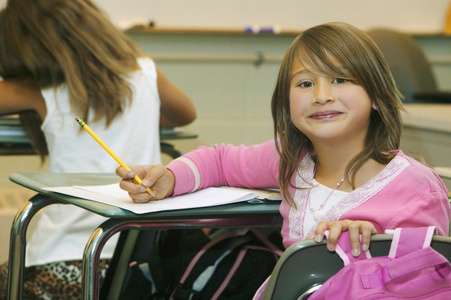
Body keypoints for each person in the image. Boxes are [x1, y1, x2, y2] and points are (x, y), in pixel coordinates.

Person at [116, 22, 450, 298]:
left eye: (340, 79)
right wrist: (171, 177)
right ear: (286, 103)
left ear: (376, 96)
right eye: (305, 83)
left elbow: (430, 281)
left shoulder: (416, 189)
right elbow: (219, 160)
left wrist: (373, 246)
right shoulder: (291, 159)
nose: (321, 95)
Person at [0, 0, 196, 298]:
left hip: (61, 260)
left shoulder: (39, 87)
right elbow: (186, 114)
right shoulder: (144, 71)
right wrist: (137, 114)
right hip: (137, 264)